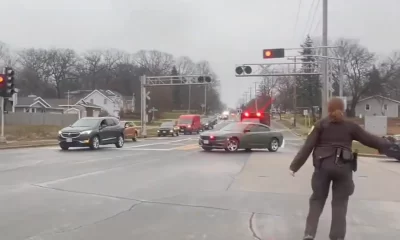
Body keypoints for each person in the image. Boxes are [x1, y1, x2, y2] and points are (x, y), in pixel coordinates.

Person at [289, 97, 391, 240]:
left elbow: (307, 147)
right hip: (343, 168)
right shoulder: (351, 126)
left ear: (328, 109)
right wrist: (385, 144)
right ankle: (336, 237)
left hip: (322, 168)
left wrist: (294, 167)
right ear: (343, 109)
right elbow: (369, 139)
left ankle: (309, 233)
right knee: (340, 204)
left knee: (317, 200)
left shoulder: (320, 125)